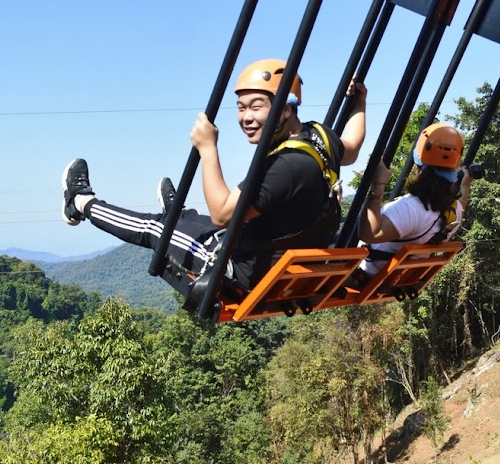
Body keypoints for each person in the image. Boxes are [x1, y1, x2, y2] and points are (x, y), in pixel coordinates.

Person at [61, 58, 367, 294]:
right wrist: (360, 103)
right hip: (279, 254)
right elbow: (351, 147)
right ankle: (179, 214)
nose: (246, 117)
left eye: (257, 107)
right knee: (194, 222)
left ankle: (81, 202)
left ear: (286, 109)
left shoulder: (284, 167)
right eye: (241, 107)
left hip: (247, 268)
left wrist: (209, 149)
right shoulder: (319, 136)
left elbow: (223, 215)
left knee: (154, 228)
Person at [355, 123, 471, 283]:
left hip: (363, 273)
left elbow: (370, 234)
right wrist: (465, 185)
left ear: (418, 164)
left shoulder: (412, 208)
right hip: (396, 277)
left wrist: (378, 186)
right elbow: (462, 204)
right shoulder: (454, 211)